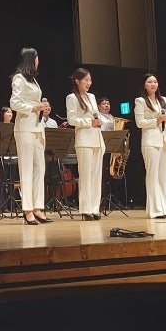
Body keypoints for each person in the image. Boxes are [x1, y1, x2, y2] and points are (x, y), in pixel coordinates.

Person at [9, 47, 51, 225]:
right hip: (25, 128)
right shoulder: (19, 78)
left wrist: (43, 108)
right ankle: (27, 209)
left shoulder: (33, 80)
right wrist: (34, 107)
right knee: (26, 169)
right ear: (30, 59)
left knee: (40, 168)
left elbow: (34, 102)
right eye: (36, 58)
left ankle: (37, 207)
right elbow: (14, 103)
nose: (38, 61)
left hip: (37, 128)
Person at [134, 73, 166, 219]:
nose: (153, 84)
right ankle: (155, 210)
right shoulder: (140, 101)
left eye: (155, 82)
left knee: (164, 176)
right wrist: (156, 120)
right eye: (150, 82)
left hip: (165, 140)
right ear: (144, 85)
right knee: (152, 175)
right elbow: (140, 122)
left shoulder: (163, 100)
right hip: (150, 141)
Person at [66, 68, 104, 220]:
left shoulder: (92, 97)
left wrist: (98, 121)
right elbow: (71, 119)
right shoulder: (72, 97)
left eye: (90, 80)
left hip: (97, 139)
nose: (89, 83)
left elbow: (95, 114)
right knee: (86, 175)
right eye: (86, 80)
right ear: (77, 81)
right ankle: (86, 209)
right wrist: (89, 122)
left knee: (96, 176)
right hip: (84, 140)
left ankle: (95, 208)